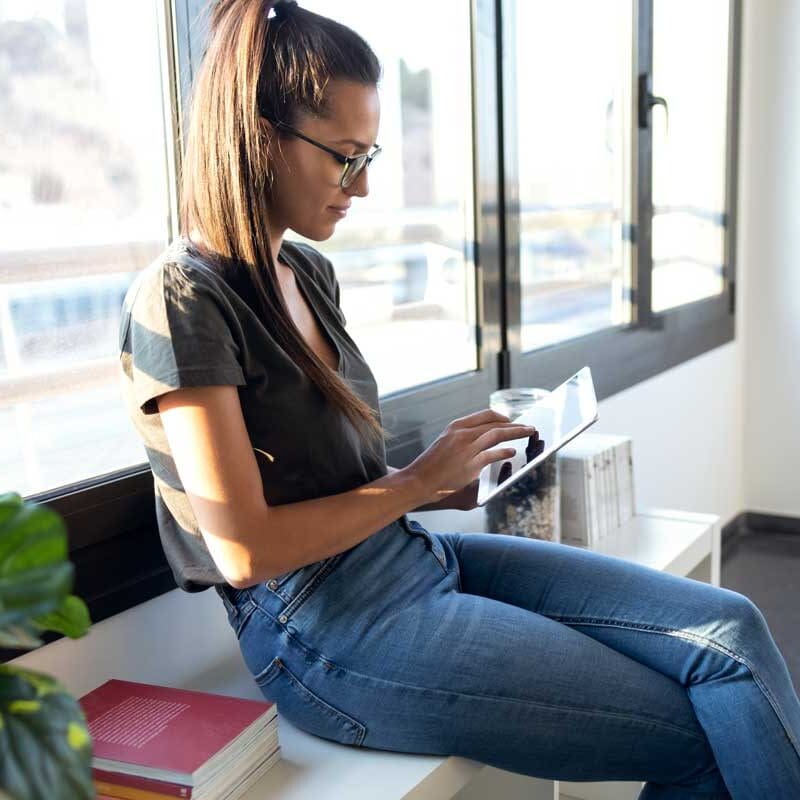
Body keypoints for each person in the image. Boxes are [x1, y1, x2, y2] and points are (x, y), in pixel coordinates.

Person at [117, 1, 800, 797]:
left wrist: (442, 483)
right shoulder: (180, 299)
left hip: (407, 557)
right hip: (321, 633)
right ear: (261, 136)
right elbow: (242, 551)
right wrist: (412, 484)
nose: (364, 185)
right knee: (705, 731)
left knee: (732, 634)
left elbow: (334, 476)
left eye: (368, 154)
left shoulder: (307, 274)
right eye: (344, 157)